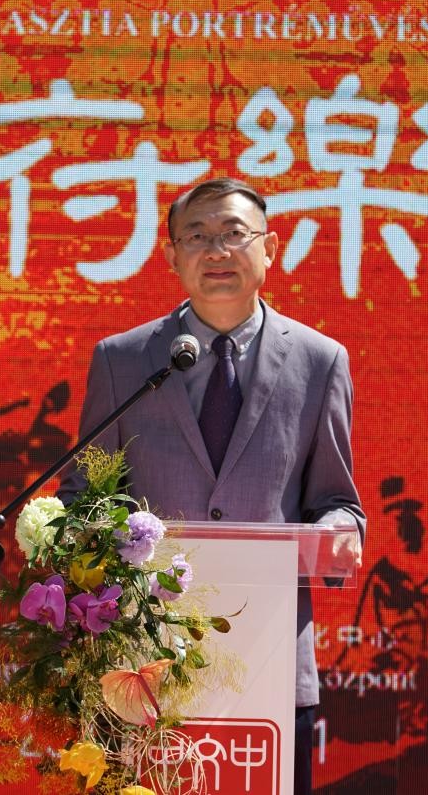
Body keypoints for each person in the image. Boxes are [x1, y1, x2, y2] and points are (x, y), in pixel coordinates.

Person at [58, 176, 366, 795]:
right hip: (140, 662)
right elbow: (83, 497)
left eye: (233, 233)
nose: (216, 250)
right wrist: (94, 541)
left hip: (270, 658)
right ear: (171, 255)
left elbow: (338, 502)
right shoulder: (124, 360)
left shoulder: (319, 361)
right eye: (196, 236)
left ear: (270, 248)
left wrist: (338, 532)